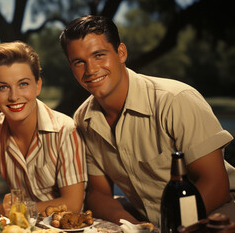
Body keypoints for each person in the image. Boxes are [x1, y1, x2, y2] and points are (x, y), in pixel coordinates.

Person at [59, 15, 235, 226]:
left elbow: (215, 185)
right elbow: (99, 195)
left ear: (121, 53)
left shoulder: (175, 100)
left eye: (99, 55)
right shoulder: (83, 120)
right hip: (151, 222)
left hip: (217, 213)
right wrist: (134, 228)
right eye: (78, 62)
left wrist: (168, 227)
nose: (90, 70)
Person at [0, 41, 87, 217]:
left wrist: (17, 211)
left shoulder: (65, 130)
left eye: (23, 84)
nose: (14, 97)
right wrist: (6, 211)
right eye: (3, 87)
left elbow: (73, 203)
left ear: (38, 85)